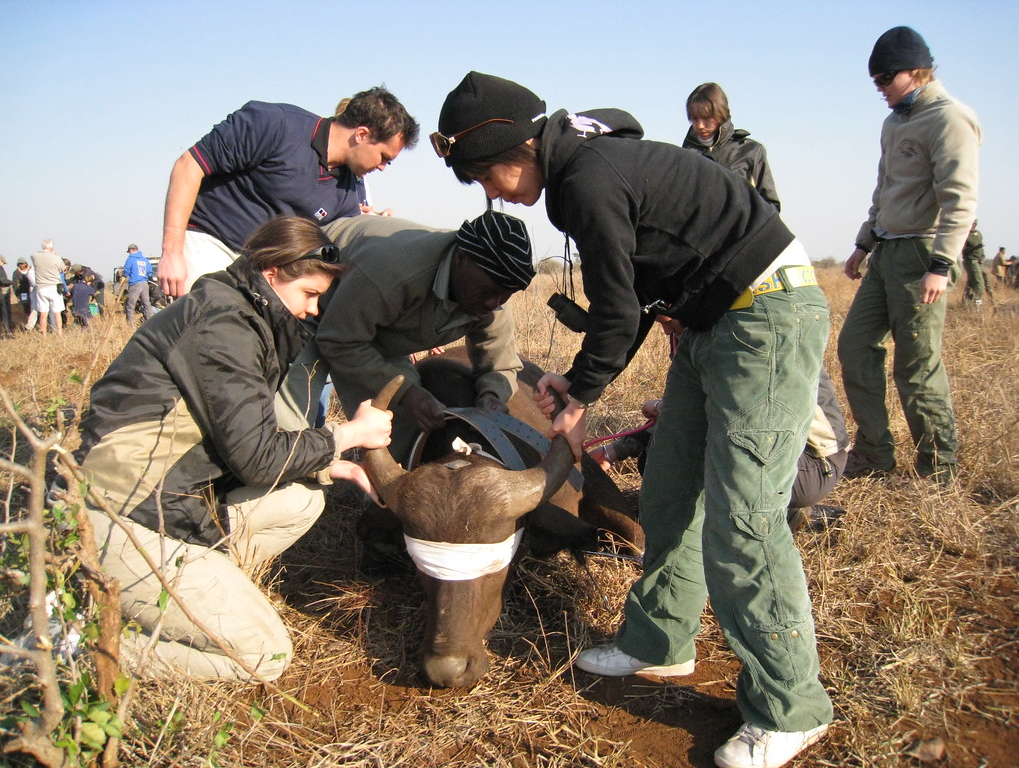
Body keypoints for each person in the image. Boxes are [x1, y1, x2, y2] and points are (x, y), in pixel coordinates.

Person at [433, 71, 832, 768]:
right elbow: (640, 298)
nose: (492, 192)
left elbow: (618, 311)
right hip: (711, 324)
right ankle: (659, 641)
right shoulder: (587, 156)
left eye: (485, 175)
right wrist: (582, 382)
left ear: (516, 147)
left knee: (744, 521)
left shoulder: (585, 180)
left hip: (764, 317)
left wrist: (581, 393)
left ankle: (792, 706)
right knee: (674, 492)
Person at [74, 215, 393, 681]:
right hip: (123, 511)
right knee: (266, 654)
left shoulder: (240, 315)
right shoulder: (224, 327)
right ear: (270, 273)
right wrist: (348, 435)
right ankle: (80, 645)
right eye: (309, 294)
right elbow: (257, 457)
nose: (312, 310)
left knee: (304, 498)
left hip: (172, 496)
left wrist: (332, 467)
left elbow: (241, 441)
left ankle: (192, 590)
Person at [838, 27, 981, 483]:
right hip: (885, 251)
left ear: (916, 71)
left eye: (885, 80)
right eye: (876, 81)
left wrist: (942, 265)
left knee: (916, 368)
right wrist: (863, 243)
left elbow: (960, 198)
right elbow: (884, 188)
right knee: (854, 348)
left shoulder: (950, 119)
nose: (879, 90)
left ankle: (938, 470)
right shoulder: (894, 122)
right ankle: (875, 454)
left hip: (924, 252)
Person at [591, 317, 849, 533]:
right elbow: (689, 414)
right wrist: (613, 451)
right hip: (766, 447)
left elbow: (713, 415)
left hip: (810, 462)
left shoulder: (739, 331)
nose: (666, 329)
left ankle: (777, 516)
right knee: (658, 456)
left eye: (669, 319)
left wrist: (661, 409)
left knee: (679, 460)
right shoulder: (695, 331)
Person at [157, 87, 419, 297]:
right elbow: (188, 166)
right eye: (384, 157)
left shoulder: (348, 192)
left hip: (265, 273)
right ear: (362, 134)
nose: (384, 168)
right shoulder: (275, 124)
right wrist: (172, 253)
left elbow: (340, 252)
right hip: (212, 244)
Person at [311, 210, 535, 456]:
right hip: (308, 298)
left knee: (404, 424)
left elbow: (500, 364)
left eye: (505, 295)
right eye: (488, 291)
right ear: (461, 258)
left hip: (370, 324)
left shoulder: (493, 293)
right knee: (290, 420)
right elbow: (338, 340)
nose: (494, 303)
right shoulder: (393, 271)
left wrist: (493, 395)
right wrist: (406, 392)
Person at [682, 82, 781, 211]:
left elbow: (771, 206)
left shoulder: (750, 150)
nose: (700, 125)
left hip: (737, 229)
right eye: (695, 118)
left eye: (706, 118)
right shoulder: (685, 155)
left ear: (721, 114)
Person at [31, 239, 66, 336]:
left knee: (43, 313)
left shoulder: (35, 256)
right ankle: (60, 333)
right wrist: (53, 254)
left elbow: (33, 254)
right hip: (54, 287)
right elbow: (62, 269)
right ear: (52, 247)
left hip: (41, 287)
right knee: (57, 312)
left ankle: (44, 335)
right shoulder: (56, 258)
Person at [960, 222, 992, 306]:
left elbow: (981, 247)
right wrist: (975, 247)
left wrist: (983, 256)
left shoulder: (978, 234)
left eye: (974, 224)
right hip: (971, 261)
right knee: (979, 285)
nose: (973, 226)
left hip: (979, 261)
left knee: (971, 283)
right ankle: (977, 305)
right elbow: (963, 251)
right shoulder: (965, 235)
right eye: (972, 224)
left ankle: (965, 303)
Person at [122, 244, 153, 325]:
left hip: (135, 283)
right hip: (145, 283)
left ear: (131, 250)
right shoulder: (145, 259)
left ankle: (130, 324)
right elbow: (149, 272)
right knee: (147, 303)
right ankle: (150, 321)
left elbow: (126, 271)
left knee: (131, 304)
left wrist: (126, 276)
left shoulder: (131, 259)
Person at [12, 258, 35, 329]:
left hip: (32, 291)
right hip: (23, 293)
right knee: (25, 306)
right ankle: (26, 322)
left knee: (34, 307)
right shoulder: (16, 273)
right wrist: (17, 294)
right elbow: (15, 285)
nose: (21, 265)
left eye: (22, 263)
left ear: (25, 263)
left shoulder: (31, 270)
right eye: (19, 264)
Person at [0, 256, 12, 336]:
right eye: (3, 262)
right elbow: (2, 280)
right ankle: (7, 332)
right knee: (5, 312)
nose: (3, 264)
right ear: (0, 261)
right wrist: (11, 282)